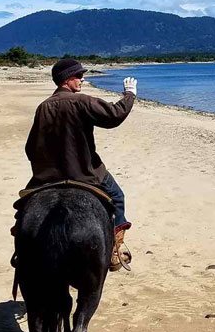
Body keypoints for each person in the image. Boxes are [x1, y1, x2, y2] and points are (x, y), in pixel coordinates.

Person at [24, 57, 138, 271]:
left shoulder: (43, 107)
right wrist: (129, 95)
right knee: (117, 197)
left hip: (47, 176)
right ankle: (115, 250)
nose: (82, 79)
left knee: (23, 209)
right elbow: (114, 115)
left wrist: (44, 167)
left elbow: (30, 147)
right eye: (78, 75)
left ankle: (21, 254)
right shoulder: (82, 101)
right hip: (85, 173)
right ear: (67, 79)